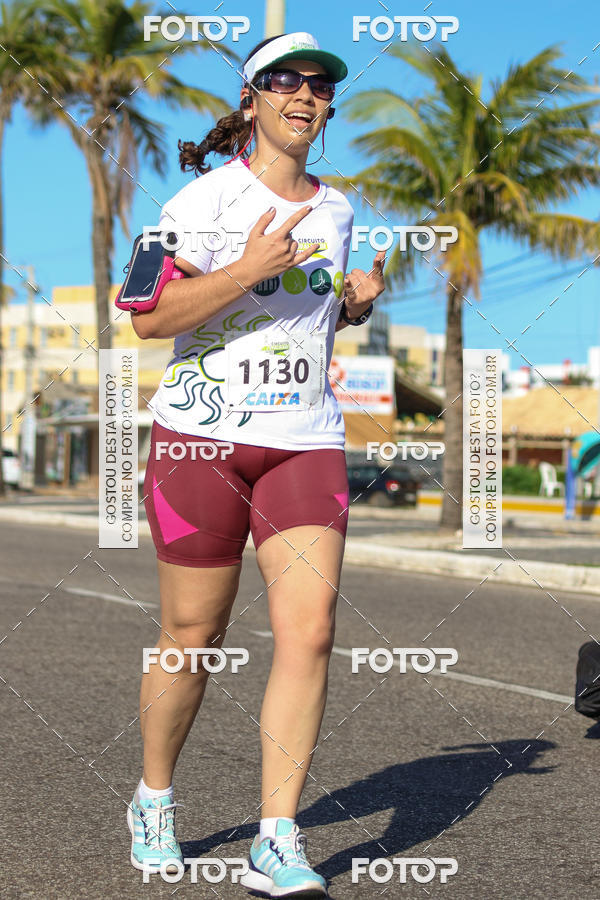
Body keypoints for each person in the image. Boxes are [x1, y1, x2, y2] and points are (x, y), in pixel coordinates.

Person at [126, 30, 386, 897]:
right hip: (199, 439)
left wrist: (351, 310)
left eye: (319, 85)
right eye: (286, 82)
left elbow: (298, 325)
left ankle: (278, 838)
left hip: (304, 439)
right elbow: (150, 320)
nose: (306, 95)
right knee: (193, 636)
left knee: (309, 631)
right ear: (253, 100)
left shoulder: (338, 212)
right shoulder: (201, 202)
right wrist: (245, 267)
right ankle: (155, 799)